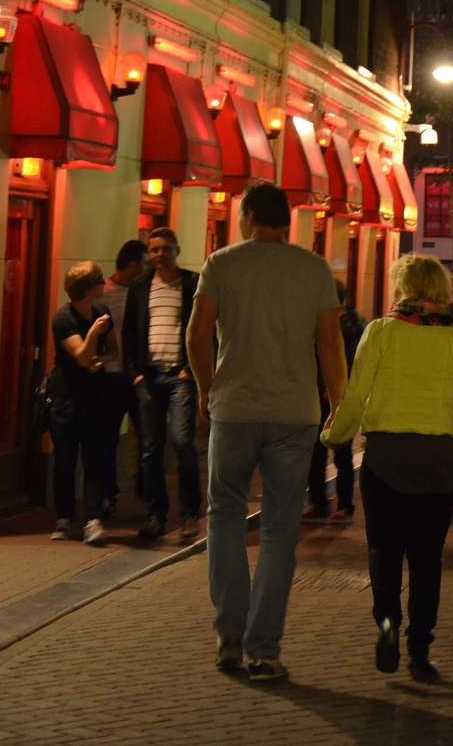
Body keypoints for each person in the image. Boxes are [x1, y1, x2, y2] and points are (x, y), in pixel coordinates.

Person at [187, 182, 346, 681]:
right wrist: (338, 404)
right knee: (280, 529)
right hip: (294, 413)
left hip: (233, 408)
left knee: (226, 518)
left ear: (250, 215)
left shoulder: (221, 264)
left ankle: (228, 639)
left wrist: (204, 390)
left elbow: (197, 334)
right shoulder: (313, 268)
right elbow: (329, 344)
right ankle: (264, 649)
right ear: (285, 221)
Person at [322, 254, 453, 685]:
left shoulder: (380, 332)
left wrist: (334, 434)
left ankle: (386, 622)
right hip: (440, 462)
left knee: (384, 549)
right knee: (427, 559)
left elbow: (356, 395)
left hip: (387, 457)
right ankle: (421, 649)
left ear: (403, 287)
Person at [123, 228, 201, 542]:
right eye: (154, 250)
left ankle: (190, 514)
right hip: (149, 377)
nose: (159, 255)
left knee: (182, 442)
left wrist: (190, 370)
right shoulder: (140, 287)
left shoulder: (191, 283)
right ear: (148, 254)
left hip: (179, 376)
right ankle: (157, 516)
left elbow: (203, 329)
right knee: (150, 449)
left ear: (176, 250)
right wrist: (136, 374)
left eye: (165, 249)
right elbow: (129, 333)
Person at [49, 261, 116, 545]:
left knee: (94, 457)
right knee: (64, 458)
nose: (105, 284)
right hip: (66, 397)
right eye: (100, 280)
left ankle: (92, 518)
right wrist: (93, 335)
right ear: (89, 288)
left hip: (95, 395)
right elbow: (80, 356)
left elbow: (112, 349)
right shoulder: (63, 318)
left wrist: (104, 359)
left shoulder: (102, 311)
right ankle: (64, 518)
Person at [303, 278, 366, 523]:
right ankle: (330, 504)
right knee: (329, 450)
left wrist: (334, 388)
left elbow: (346, 360)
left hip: (333, 395)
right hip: (329, 394)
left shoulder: (345, 325)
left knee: (331, 450)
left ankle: (336, 505)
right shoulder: (350, 321)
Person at [101, 239, 147, 511]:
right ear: (133, 265)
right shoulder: (104, 293)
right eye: (144, 264)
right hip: (108, 376)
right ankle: (109, 493)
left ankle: (145, 493)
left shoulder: (142, 291)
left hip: (136, 375)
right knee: (107, 436)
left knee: (147, 437)